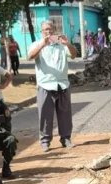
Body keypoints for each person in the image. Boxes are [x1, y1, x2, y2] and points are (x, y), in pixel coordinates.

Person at [29, 20, 77, 152]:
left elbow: (73, 55)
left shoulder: (61, 45)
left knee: (65, 115)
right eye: (45, 30)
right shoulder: (36, 44)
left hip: (62, 84)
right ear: (41, 32)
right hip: (45, 85)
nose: (48, 32)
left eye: (50, 29)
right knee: (45, 116)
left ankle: (66, 138)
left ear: (54, 30)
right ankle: (45, 141)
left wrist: (67, 43)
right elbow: (30, 56)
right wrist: (42, 46)